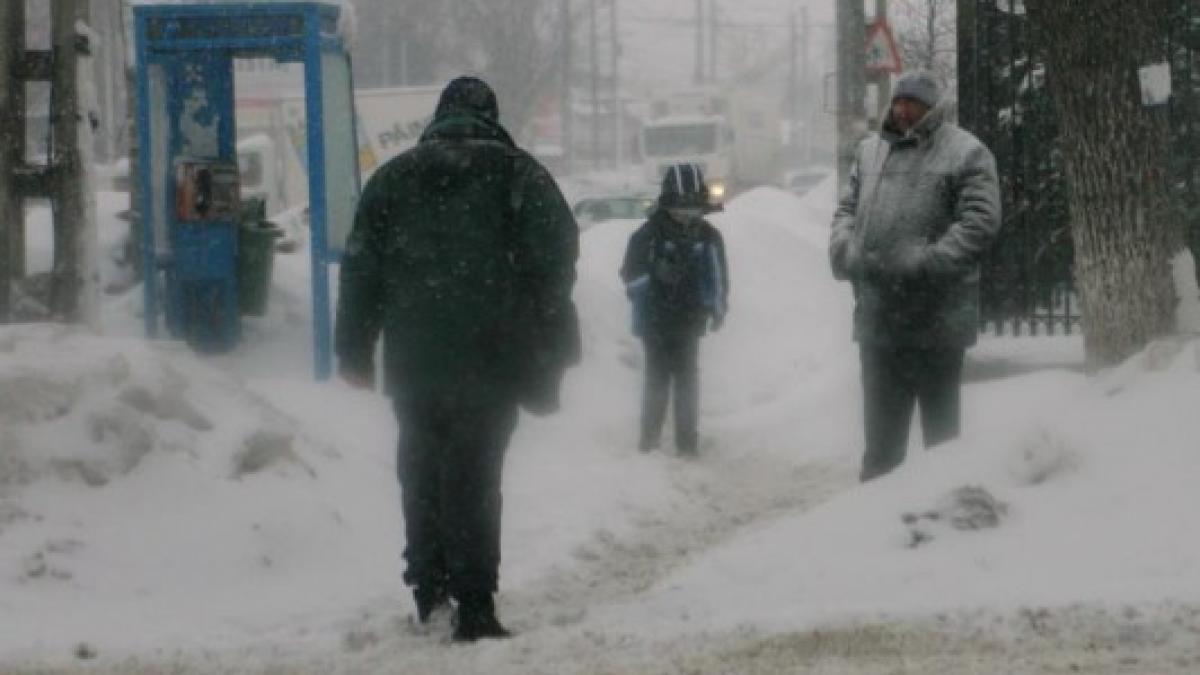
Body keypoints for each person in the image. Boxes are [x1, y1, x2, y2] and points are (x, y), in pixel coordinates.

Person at [335, 76, 580, 641]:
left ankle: (429, 593)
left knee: (420, 474)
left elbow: (360, 269)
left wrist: (354, 349)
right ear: (492, 115)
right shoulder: (519, 176)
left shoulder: (393, 178)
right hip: (492, 361)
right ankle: (475, 605)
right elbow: (558, 254)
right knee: (475, 477)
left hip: (414, 365)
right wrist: (540, 320)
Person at [828, 70, 1001, 482]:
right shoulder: (869, 152)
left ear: (933, 108)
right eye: (900, 102)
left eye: (915, 104)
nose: (904, 110)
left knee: (942, 447)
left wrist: (926, 262)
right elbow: (846, 210)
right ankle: (874, 530)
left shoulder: (966, 153)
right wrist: (845, 249)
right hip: (879, 323)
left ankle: (943, 525)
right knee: (881, 450)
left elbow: (980, 222)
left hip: (936, 325)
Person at [620, 163, 729, 456]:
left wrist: (717, 308)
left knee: (687, 381)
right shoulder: (647, 236)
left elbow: (717, 276)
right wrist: (654, 275)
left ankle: (687, 443)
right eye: (680, 209)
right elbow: (630, 277)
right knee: (657, 378)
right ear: (666, 204)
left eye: (692, 209)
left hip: (690, 320)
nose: (686, 216)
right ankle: (649, 441)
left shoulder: (707, 237)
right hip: (653, 321)